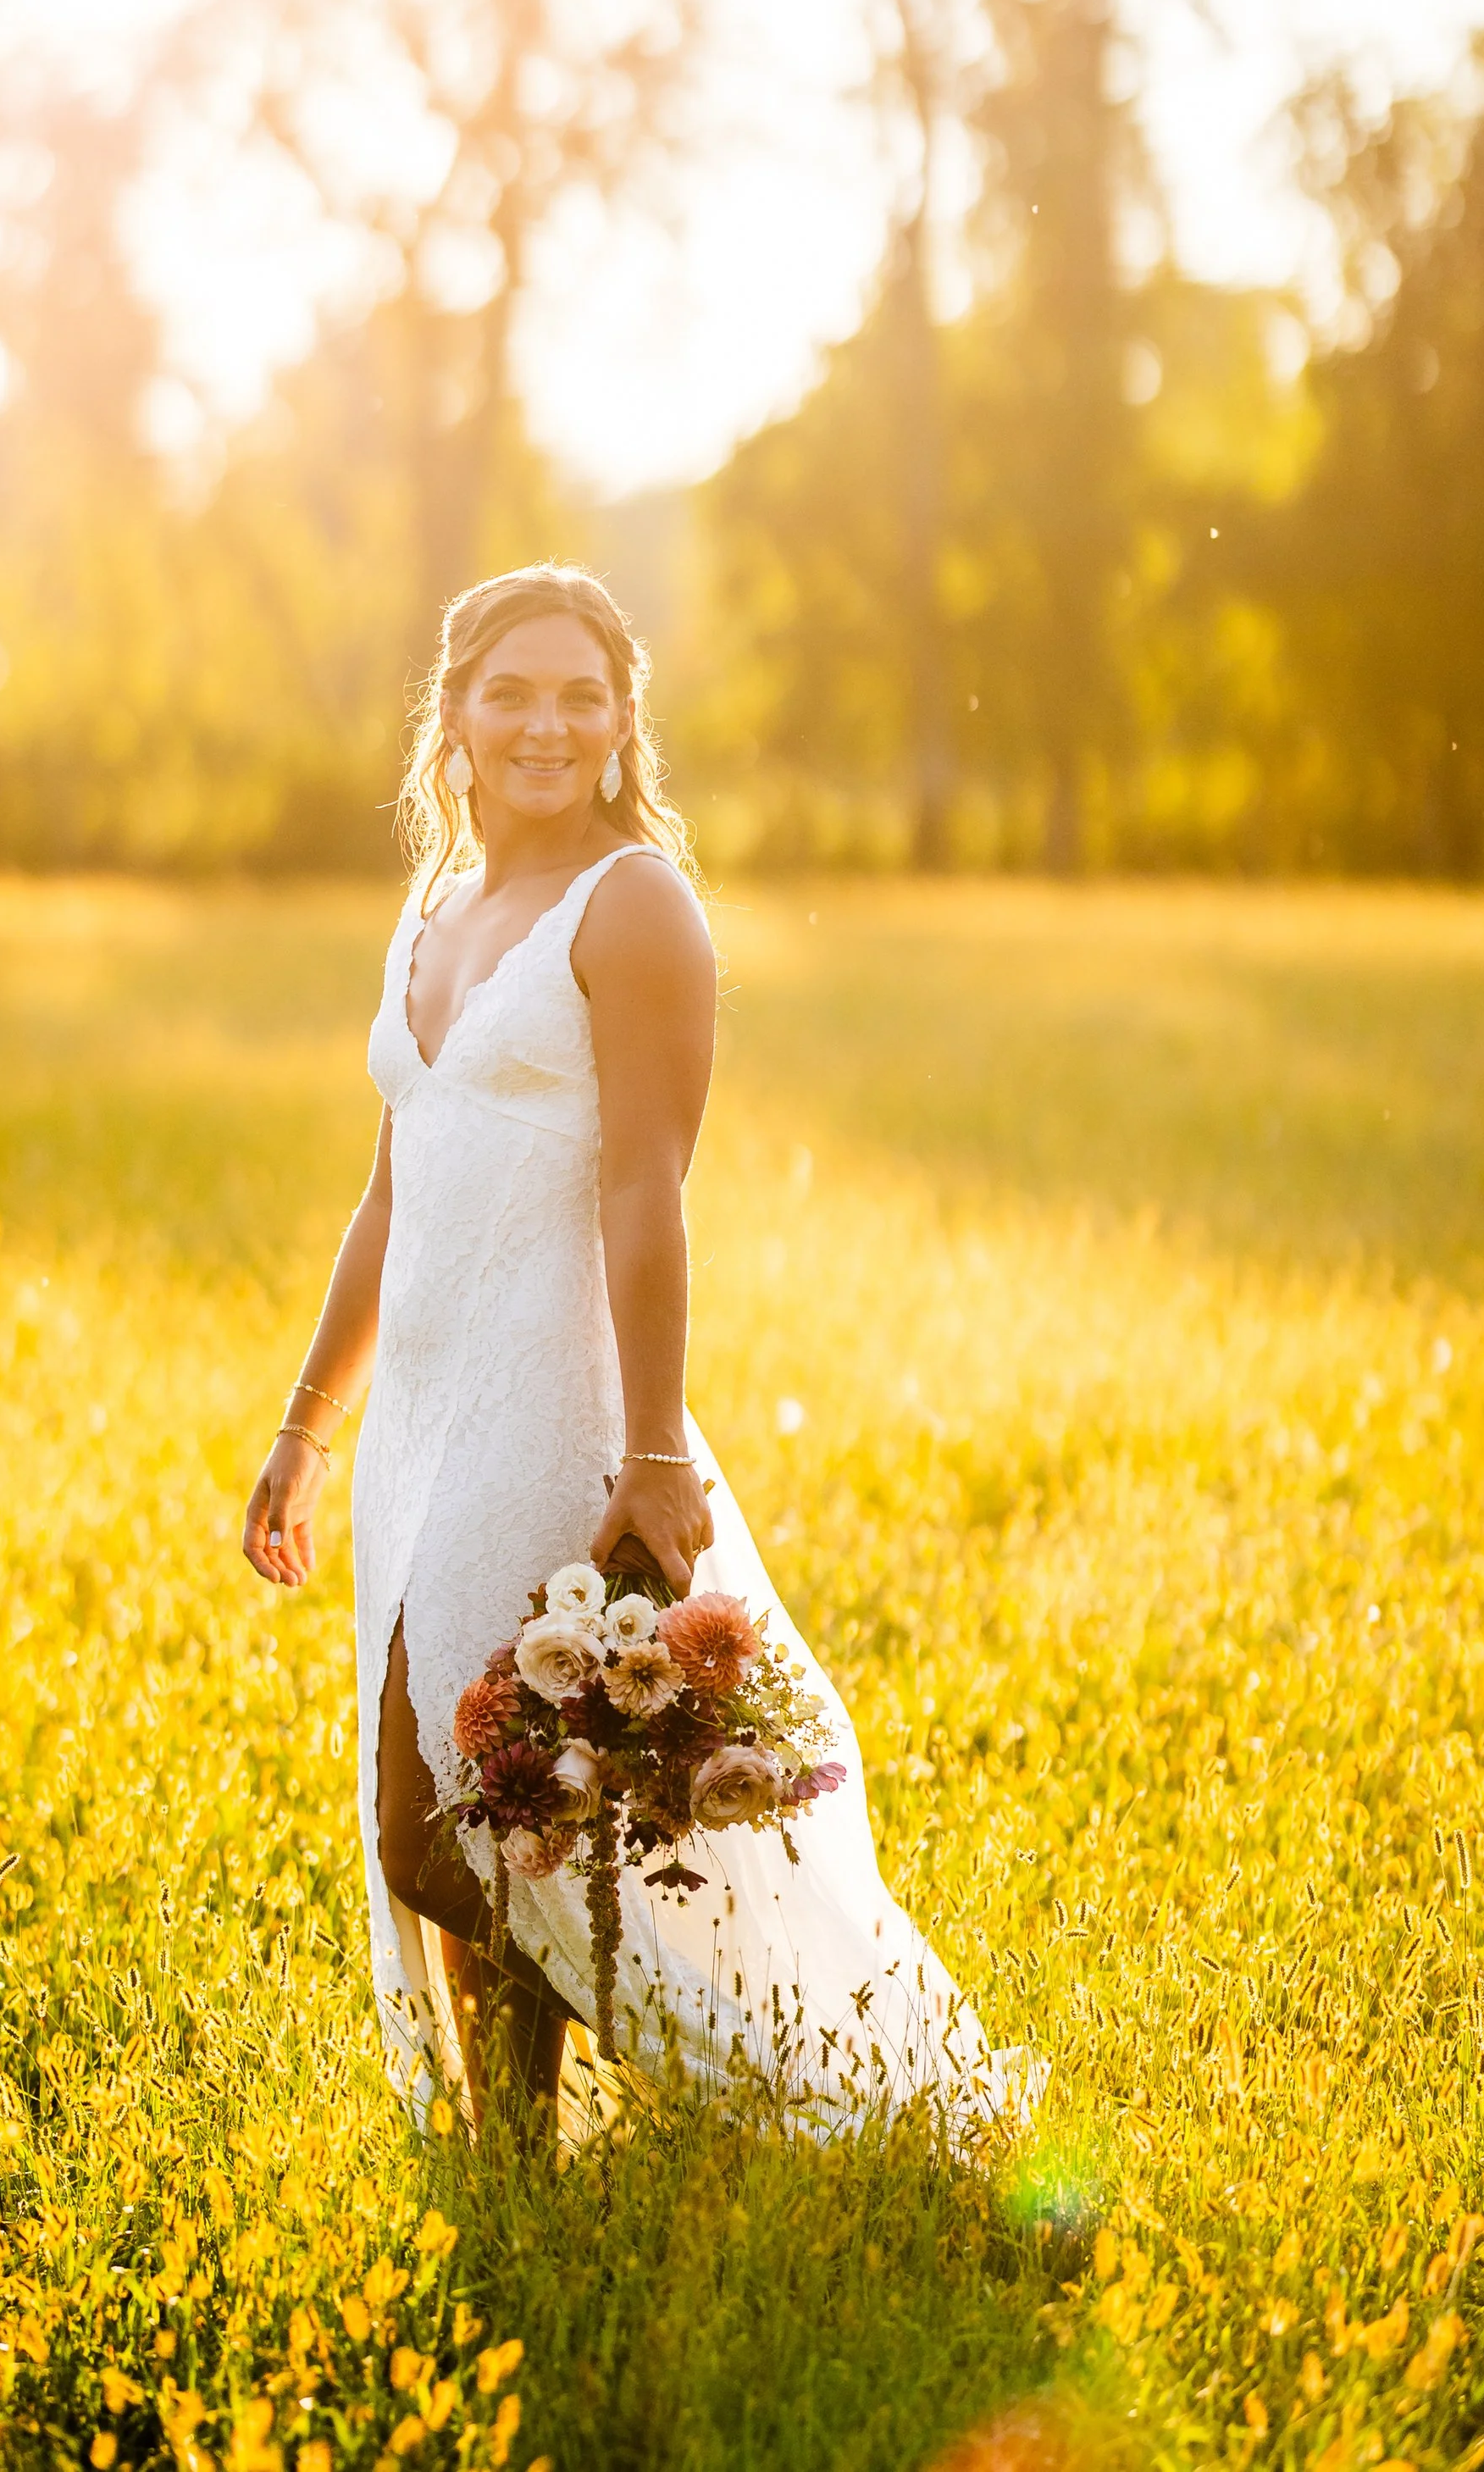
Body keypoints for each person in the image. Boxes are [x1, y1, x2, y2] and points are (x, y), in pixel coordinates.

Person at [242, 563, 1038, 2137]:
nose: (547, 724)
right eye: (512, 692)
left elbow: (645, 1189)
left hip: (554, 1403)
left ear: (622, 725)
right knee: (486, 1802)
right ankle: (522, 2149)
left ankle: (720, 2103)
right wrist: (307, 1425)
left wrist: (656, 1448)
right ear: (454, 718)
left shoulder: (638, 904)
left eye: (582, 696)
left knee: (454, 1815)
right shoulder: (433, 907)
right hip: (419, 1417)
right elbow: (390, 1188)